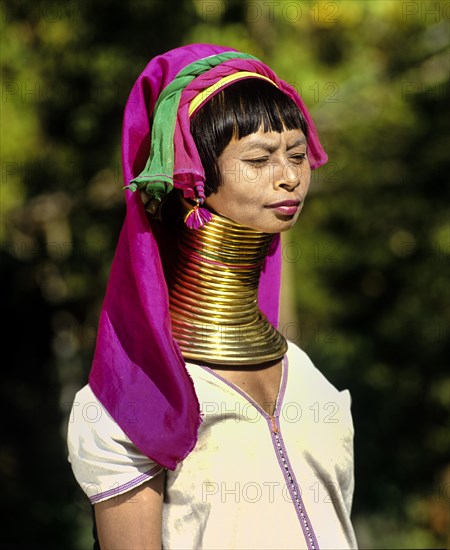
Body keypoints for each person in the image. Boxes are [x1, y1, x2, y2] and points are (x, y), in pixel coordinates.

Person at [67, 43, 358, 549]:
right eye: (259, 159)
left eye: (295, 154)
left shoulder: (314, 384)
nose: (289, 176)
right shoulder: (135, 403)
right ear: (192, 180)